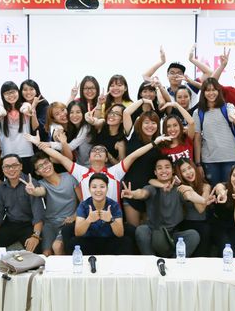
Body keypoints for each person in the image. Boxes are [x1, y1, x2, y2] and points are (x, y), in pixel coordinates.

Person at [26, 131, 171, 203]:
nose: (97, 152)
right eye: (94, 150)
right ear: (89, 158)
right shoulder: (81, 171)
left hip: (113, 219)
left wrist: (154, 143)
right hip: (88, 220)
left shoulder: (115, 171)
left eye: (101, 151)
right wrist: (38, 143)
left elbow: (133, 156)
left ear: (106, 158)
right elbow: (60, 158)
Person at [122, 157, 208, 258]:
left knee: (193, 235)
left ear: (173, 171)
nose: (163, 171)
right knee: (141, 230)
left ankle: (174, 261)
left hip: (173, 235)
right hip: (154, 232)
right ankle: (151, 261)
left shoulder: (179, 188)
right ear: (155, 172)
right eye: (160, 168)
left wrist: (204, 200)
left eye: (167, 167)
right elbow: (142, 193)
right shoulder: (151, 188)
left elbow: (189, 196)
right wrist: (133, 194)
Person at [0, 154, 44, 252]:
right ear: (3, 169)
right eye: (7, 166)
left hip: (29, 225)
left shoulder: (31, 184)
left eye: (15, 165)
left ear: (21, 166)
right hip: (11, 223)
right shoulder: (2, 188)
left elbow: (38, 213)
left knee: (35, 250)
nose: (11, 169)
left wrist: (35, 235)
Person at [24, 151, 79, 256]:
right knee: (46, 253)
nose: (45, 166)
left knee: (57, 246)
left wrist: (74, 216)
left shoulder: (69, 177)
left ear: (51, 162)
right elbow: (40, 191)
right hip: (50, 224)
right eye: (40, 166)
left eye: (46, 162)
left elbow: (82, 200)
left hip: (68, 222)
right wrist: (33, 191)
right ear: (37, 172)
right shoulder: (42, 183)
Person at [69, 173, 134, 255]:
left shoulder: (114, 205)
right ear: (89, 189)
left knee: (126, 241)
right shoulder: (83, 205)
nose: (98, 190)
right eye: (94, 187)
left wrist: (111, 220)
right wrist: (88, 220)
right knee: (74, 241)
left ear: (107, 189)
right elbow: (78, 233)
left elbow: (120, 234)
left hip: (109, 242)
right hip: (89, 242)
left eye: (102, 187)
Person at [122, 103, 164, 226]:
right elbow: (126, 113)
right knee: (133, 229)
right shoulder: (133, 136)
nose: (150, 126)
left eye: (153, 123)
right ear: (140, 123)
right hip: (131, 189)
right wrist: (143, 100)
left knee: (147, 230)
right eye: (146, 122)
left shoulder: (159, 143)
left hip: (149, 192)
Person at [193, 77, 235, 184]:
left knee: (229, 190)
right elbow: (197, 139)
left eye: (214, 90)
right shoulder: (198, 112)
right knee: (213, 190)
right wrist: (198, 163)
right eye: (208, 90)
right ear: (203, 92)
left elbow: (232, 116)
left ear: (219, 91)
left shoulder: (228, 107)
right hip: (209, 160)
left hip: (230, 157)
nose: (211, 93)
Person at [142, 45, 211, 106]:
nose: (175, 75)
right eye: (172, 73)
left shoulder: (191, 87)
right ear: (167, 75)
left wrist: (192, 59)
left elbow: (208, 73)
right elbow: (145, 76)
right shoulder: (163, 90)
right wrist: (162, 62)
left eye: (179, 73)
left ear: (183, 75)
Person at [0, 82, 35, 175]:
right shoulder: (1, 107)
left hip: (26, 153)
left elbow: (24, 108)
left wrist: (26, 111)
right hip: (7, 155)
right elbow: (1, 111)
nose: (10, 95)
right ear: (3, 96)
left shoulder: (25, 104)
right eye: (7, 93)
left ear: (18, 92)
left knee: (28, 181)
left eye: (13, 92)